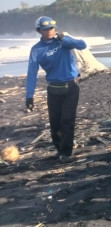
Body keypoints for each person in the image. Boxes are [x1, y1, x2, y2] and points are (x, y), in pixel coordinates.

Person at [25, 16, 87, 163]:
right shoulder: (36, 50)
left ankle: (66, 152)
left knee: (67, 120)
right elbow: (32, 73)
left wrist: (65, 39)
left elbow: (82, 45)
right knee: (55, 123)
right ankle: (59, 149)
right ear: (39, 30)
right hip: (53, 89)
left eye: (51, 28)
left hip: (71, 87)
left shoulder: (63, 42)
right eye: (45, 29)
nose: (49, 31)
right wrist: (29, 96)